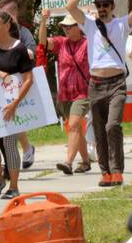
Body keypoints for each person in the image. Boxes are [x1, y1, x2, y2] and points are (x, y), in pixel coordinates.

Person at [66, 0, 132, 187]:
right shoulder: (89, 25)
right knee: (99, 130)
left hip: (117, 83)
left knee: (113, 125)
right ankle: (105, 172)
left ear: (112, 7)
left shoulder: (121, 24)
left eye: (106, 5)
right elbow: (71, 7)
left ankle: (117, 169)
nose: (102, 9)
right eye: (99, 5)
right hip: (96, 84)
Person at [0, 10, 35, 200]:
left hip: (11, 104)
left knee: (10, 144)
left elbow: (28, 79)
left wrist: (15, 104)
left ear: (7, 26)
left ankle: (14, 186)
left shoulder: (18, 49)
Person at [38, 11, 92, 176]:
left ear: (79, 27)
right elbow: (42, 42)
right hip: (65, 94)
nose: (66, 29)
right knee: (76, 129)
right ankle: (85, 161)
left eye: (70, 26)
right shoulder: (61, 43)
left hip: (84, 92)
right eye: (64, 26)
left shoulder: (89, 43)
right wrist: (43, 21)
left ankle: (68, 162)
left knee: (74, 125)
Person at [0, 0, 38, 170]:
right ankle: (25, 150)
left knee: (15, 118)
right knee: (9, 119)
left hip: (19, 80)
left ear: (13, 15)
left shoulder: (24, 32)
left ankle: (24, 151)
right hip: (0, 80)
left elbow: (31, 51)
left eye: (3, 15)